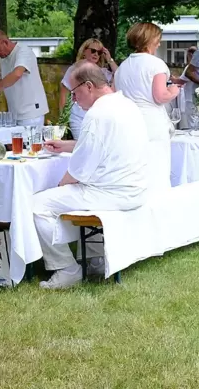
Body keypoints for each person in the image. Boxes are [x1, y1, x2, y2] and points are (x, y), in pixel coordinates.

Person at [33, 63, 149, 289]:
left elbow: (78, 171)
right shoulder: (126, 104)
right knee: (68, 195)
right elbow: (104, 145)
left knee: (37, 204)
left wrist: (59, 186)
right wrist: (67, 146)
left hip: (112, 193)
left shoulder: (97, 114)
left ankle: (66, 269)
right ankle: (93, 259)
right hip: (136, 188)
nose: (74, 100)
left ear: (88, 86)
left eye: (75, 93)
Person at [114, 22, 179, 191]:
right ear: (149, 40)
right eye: (157, 39)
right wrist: (173, 90)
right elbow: (160, 96)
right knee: (157, 166)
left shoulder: (122, 67)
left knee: (134, 167)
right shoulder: (156, 64)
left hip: (128, 121)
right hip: (151, 123)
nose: (159, 43)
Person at [0, 30, 49, 126]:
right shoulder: (3, 57)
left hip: (31, 114)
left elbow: (17, 74)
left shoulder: (23, 51)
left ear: (5, 42)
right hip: (14, 114)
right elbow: (9, 79)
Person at [59, 38, 116, 139]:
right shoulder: (74, 69)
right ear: (84, 51)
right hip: (77, 116)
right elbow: (64, 93)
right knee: (81, 145)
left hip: (98, 117)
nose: (96, 54)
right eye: (93, 51)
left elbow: (120, 75)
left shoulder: (103, 72)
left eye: (99, 52)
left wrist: (110, 60)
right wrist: (63, 121)